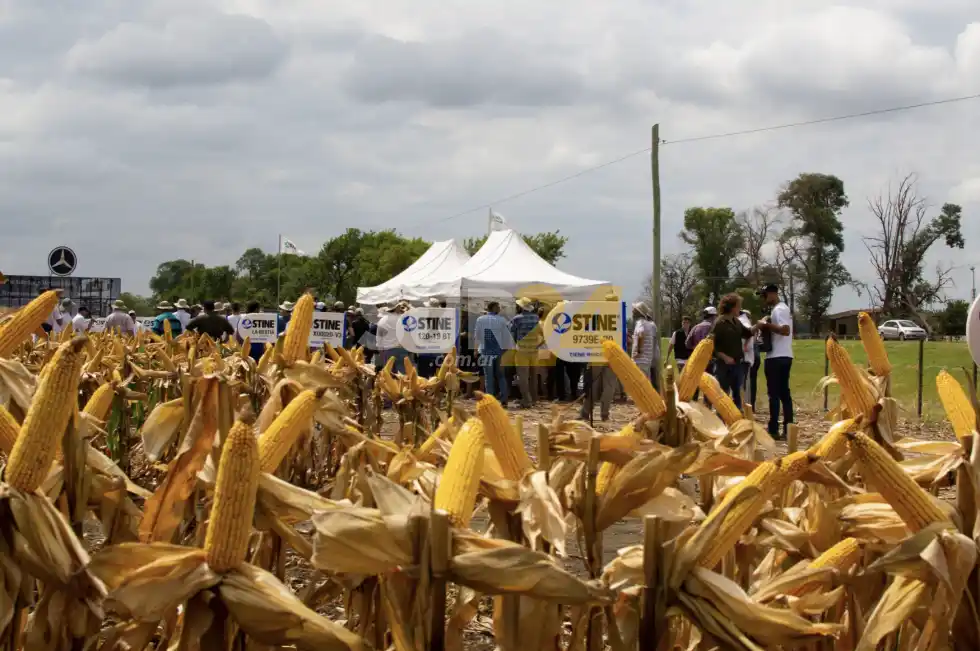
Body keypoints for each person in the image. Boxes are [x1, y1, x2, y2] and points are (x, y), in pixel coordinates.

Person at [757, 284, 794, 440]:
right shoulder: (780, 309)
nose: (763, 299)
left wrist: (764, 325)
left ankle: (774, 429)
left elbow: (785, 330)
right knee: (784, 393)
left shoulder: (780, 309)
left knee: (775, 395)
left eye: (764, 296)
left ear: (772, 294)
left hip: (777, 357)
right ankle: (788, 428)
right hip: (783, 355)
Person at [711, 294, 755, 409]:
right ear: (731, 307)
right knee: (723, 395)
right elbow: (710, 345)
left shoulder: (736, 321)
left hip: (737, 364)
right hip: (723, 366)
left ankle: (736, 421)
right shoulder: (719, 323)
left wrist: (759, 326)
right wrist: (724, 357)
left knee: (737, 395)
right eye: (738, 306)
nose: (740, 309)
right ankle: (721, 420)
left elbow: (748, 333)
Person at [582, 295, 622, 421]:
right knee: (609, 386)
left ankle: (586, 411)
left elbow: (585, 333)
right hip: (612, 356)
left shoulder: (595, 317)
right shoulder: (619, 318)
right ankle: (604, 413)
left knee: (593, 385)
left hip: (596, 355)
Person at [473, 301, 511, 404]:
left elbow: (477, 335)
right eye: (498, 307)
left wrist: (475, 350)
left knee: (488, 377)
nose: (499, 309)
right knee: (500, 375)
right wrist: (504, 350)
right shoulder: (502, 320)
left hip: (485, 351)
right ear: (494, 308)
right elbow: (507, 337)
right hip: (498, 351)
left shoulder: (480, 319)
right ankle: (504, 399)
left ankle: (490, 400)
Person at [510, 297, 541, 408]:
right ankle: (534, 399)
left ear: (521, 307)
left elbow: (511, 334)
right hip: (534, 351)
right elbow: (543, 333)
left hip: (522, 351)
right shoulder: (536, 318)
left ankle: (526, 400)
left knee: (523, 377)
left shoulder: (517, 318)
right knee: (534, 376)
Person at [376, 301, 411, 374]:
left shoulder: (382, 321)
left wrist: (381, 354)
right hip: (402, 350)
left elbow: (379, 340)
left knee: (389, 377)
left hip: (387, 351)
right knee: (402, 377)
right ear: (397, 308)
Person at [631, 302, 657, 388]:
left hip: (640, 360)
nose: (632, 311)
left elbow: (641, 334)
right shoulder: (648, 324)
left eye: (634, 310)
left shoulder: (640, 323)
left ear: (638, 312)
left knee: (639, 386)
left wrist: (638, 351)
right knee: (645, 385)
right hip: (646, 360)